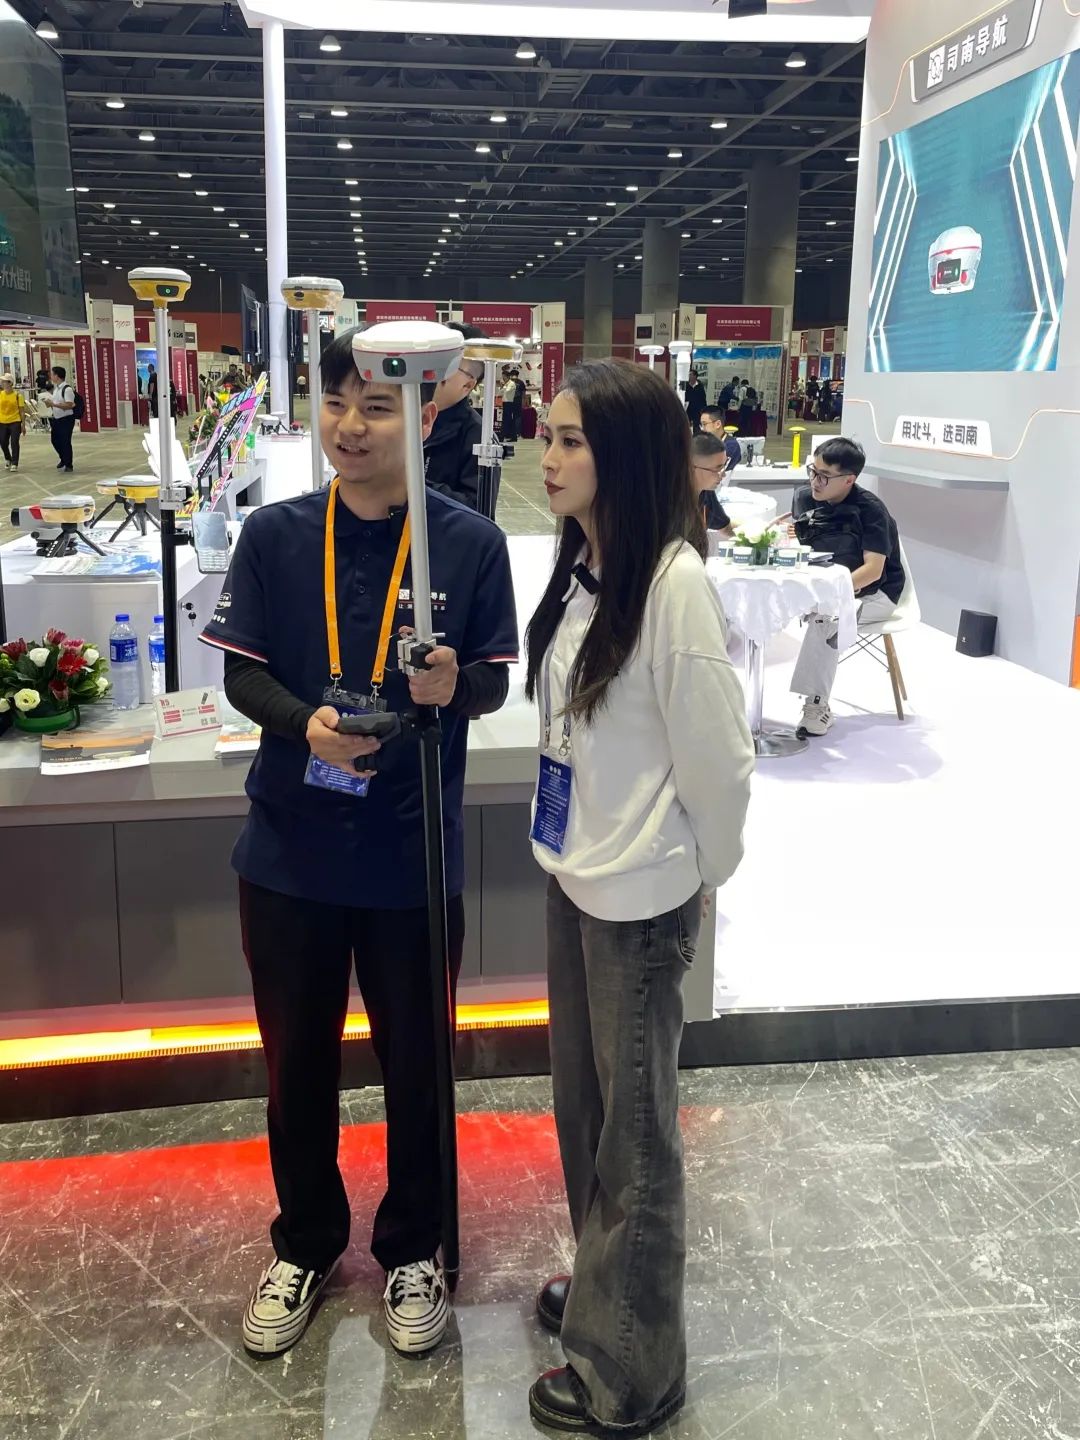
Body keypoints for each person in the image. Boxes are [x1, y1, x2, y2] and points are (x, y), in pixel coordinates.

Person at [199, 327, 518, 1361]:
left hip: (410, 855)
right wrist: (306, 725)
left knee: (418, 1064)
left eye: (376, 407)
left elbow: (491, 681)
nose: (350, 425)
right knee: (296, 1064)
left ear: (421, 418)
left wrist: (453, 686)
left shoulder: (470, 543)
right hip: (289, 853)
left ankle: (414, 1247)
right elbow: (242, 673)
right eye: (336, 403)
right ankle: (304, 1243)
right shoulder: (276, 535)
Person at [523, 359, 754, 1436]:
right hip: (577, 877)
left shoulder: (674, 586)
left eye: (571, 439)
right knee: (586, 1115)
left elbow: (721, 762)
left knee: (639, 1144)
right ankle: (606, 1296)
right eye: (549, 434)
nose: (548, 456)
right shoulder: (583, 567)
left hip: (641, 900)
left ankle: (634, 1371)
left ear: (625, 456)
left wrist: (704, 875)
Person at [790, 437, 906, 738]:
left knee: (826, 619)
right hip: (827, 588)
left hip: (877, 594)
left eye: (824, 476)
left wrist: (831, 593)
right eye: (813, 471)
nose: (815, 481)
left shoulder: (871, 510)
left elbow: (873, 571)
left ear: (849, 480)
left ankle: (816, 706)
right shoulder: (806, 499)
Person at [423, 322, 487, 510]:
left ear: (467, 385)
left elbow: (476, 508)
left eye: (445, 364)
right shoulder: (405, 414)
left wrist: (415, 485)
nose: (431, 369)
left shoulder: (478, 436)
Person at [691, 433, 736, 538]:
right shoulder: (671, 502)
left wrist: (757, 532)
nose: (723, 474)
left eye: (724, 466)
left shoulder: (706, 493)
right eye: (717, 468)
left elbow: (725, 527)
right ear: (691, 468)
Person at [48, 366, 76, 472]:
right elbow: (56, 403)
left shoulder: (67, 389)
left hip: (66, 419)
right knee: (55, 440)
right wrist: (50, 404)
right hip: (57, 418)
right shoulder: (56, 389)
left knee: (65, 441)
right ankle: (63, 458)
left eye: (52, 374)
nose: (51, 377)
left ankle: (68, 464)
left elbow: (69, 405)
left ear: (57, 376)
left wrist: (54, 404)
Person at [0, 374, 26, 472]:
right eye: (2, 381)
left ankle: (15, 463)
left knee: (14, 442)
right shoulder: (0, 394)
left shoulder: (18, 396)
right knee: (3, 442)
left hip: (15, 421)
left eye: (4, 381)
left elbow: (22, 411)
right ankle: (8, 458)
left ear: (10, 383)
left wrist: (23, 425)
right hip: (2, 422)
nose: (2, 383)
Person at [500, 368, 519, 441]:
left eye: (503, 377)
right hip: (505, 403)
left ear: (507, 376)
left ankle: (504, 436)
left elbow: (507, 391)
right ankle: (510, 436)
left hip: (510, 403)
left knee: (508, 420)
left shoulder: (511, 384)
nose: (503, 378)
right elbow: (500, 392)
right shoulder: (506, 384)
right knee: (507, 420)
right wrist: (503, 386)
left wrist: (504, 385)